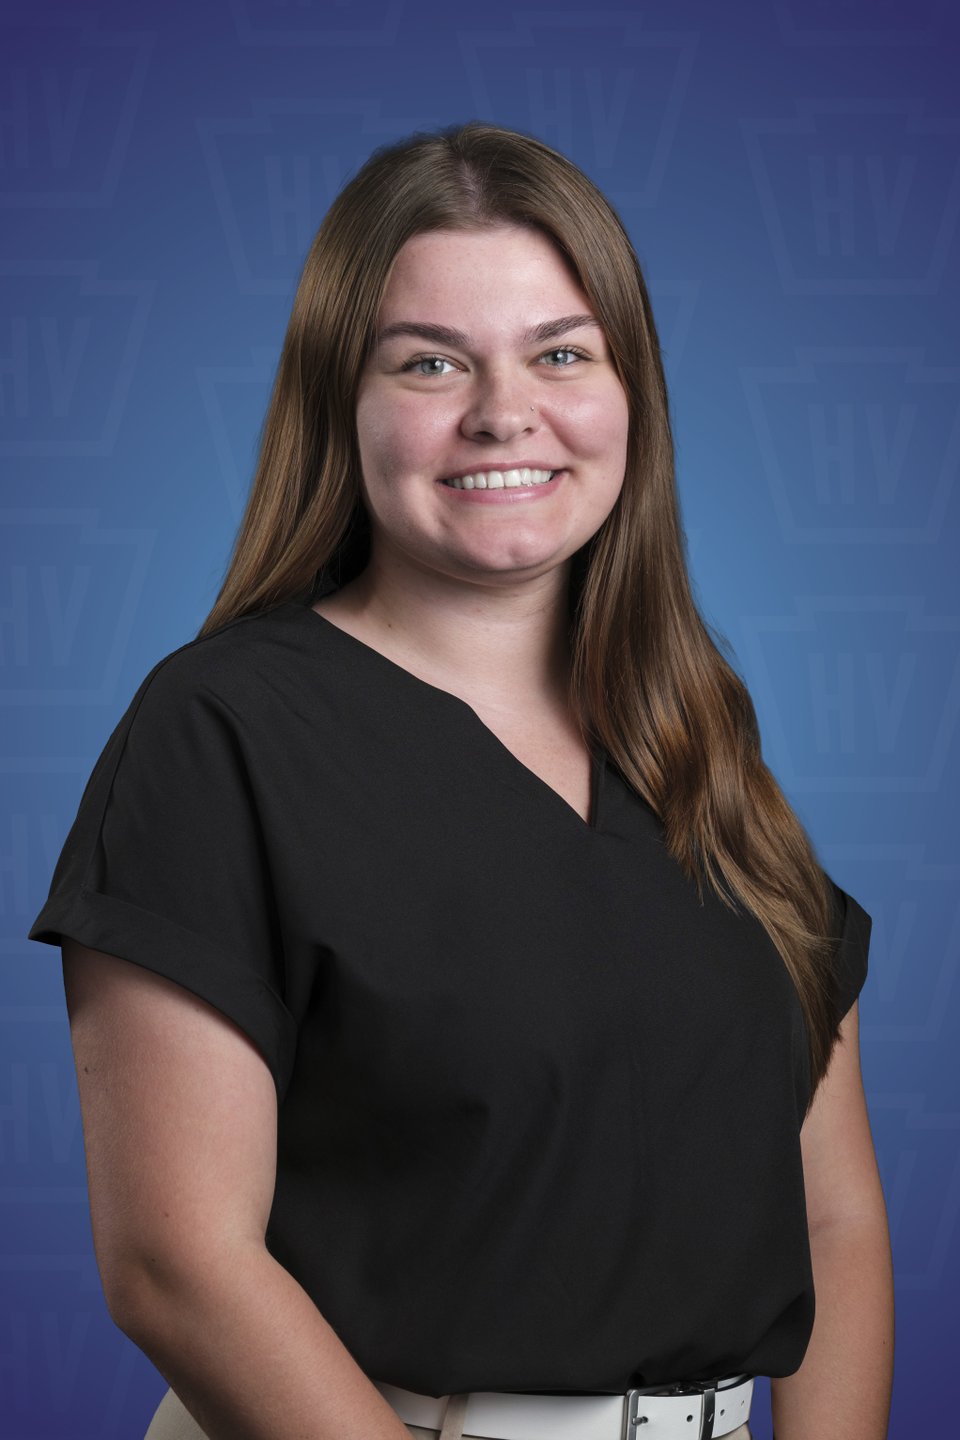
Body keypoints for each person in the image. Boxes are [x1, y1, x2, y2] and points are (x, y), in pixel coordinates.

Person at [26, 120, 894, 1440]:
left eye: (561, 352)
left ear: (631, 395)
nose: (505, 410)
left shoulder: (701, 747)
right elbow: (175, 1264)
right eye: (431, 362)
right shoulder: (221, 735)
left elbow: (831, 1217)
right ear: (340, 402)